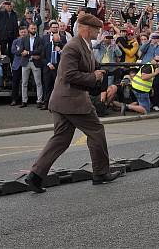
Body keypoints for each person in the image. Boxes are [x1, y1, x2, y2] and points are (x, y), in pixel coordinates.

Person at [24, 13, 120, 193]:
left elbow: (91, 66)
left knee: (61, 139)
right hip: (72, 100)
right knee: (96, 130)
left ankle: (35, 176)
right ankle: (100, 173)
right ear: (85, 28)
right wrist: (93, 77)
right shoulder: (73, 46)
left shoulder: (85, 46)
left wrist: (101, 71)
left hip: (64, 101)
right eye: (96, 29)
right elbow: (68, 75)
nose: (98, 32)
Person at [17, 22, 45, 108]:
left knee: (38, 83)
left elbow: (39, 50)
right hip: (25, 62)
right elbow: (21, 50)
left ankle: (39, 101)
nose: (33, 30)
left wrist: (28, 52)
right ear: (28, 29)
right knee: (24, 82)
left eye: (35, 28)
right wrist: (30, 53)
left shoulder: (40, 39)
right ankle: (24, 101)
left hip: (36, 62)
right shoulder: (24, 39)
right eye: (32, 28)